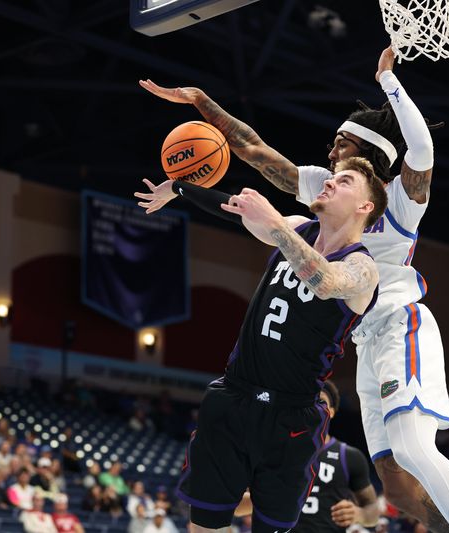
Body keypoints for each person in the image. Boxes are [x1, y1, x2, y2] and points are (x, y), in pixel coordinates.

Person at [139, 45, 449, 532]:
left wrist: (388, 79)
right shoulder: (324, 197)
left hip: (398, 323)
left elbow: (421, 151)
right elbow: (254, 151)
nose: (329, 153)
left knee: (411, 447)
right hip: (363, 340)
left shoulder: (398, 202)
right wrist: (201, 103)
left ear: (364, 165)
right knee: (395, 480)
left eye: (340, 144)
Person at [136, 159, 383, 529]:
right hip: (234, 396)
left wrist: (276, 226)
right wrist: (178, 188)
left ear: (366, 207)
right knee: (203, 523)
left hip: (292, 417)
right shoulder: (300, 227)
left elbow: (326, 282)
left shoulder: (362, 268)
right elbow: (236, 211)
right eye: (331, 177)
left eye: (344, 181)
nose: (330, 183)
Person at [234, 380, 379, 531]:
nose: (315, 407)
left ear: (332, 411)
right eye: (310, 401)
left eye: (321, 401)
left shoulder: (349, 456)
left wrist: (360, 514)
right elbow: (237, 507)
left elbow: (373, 509)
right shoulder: (271, 452)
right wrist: (269, 500)